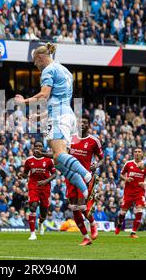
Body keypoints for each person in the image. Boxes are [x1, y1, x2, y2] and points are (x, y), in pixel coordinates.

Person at [15, 43, 93, 200]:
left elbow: (44, 95)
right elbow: (59, 100)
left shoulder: (48, 70)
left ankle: (88, 176)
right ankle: (86, 192)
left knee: (58, 154)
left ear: (41, 57)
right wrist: (41, 116)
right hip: (67, 114)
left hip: (59, 116)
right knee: (58, 161)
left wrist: (24, 101)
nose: (36, 66)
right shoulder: (65, 70)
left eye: (36, 63)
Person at [37, 117, 105, 245]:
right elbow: (59, 155)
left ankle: (92, 223)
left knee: (82, 206)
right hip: (70, 177)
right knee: (74, 208)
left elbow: (102, 158)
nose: (82, 124)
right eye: (80, 122)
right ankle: (85, 237)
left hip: (84, 177)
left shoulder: (93, 141)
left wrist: (96, 165)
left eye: (85, 122)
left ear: (89, 125)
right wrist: (44, 154)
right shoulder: (70, 138)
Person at [18, 140, 57, 240]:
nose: (38, 148)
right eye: (36, 146)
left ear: (42, 148)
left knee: (44, 211)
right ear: (33, 148)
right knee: (33, 207)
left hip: (45, 188)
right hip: (33, 186)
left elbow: (54, 174)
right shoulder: (29, 160)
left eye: (40, 146)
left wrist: (45, 181)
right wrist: (21, 175)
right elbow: (26, 173)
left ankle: (40, 223)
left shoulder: (48, 160)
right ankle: (32, 234)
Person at [115, 147, 146, 238]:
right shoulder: (128, 164)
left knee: (139, 211)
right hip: (128, 193)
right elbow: (120, 174)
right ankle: (119, 224)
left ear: (142, 154)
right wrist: (126, 179)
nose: (137, 153)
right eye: (135, 152)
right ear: (133, 153)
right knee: (122, 213)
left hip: (139, 193)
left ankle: (133, 232)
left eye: (139, 151)